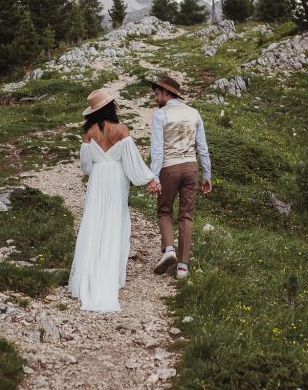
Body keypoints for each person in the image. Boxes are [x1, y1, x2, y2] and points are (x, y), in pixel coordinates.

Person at [68, 88, 160, 312]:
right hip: (116, 180)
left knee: (94, 223)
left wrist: (101, 164)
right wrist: (149, 178)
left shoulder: (89, 133)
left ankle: (86, 274)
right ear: (111, 107)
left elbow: (86, 167)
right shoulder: (121, 130)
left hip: (98, 181)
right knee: (115, 223)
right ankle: (111, 275)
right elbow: (132, 161)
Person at [149, 75, 212, 280]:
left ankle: (169, 250)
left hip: (169, 168)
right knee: (186, 215)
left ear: (168, 93)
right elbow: (202, 147)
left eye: (158, 93)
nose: (156, 96)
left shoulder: (160, 115)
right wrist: (207, 174)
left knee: (165, 210)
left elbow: (157, 151)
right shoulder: (194, 113)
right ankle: (183, 267)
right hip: (192, 168)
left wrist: (153, 177)